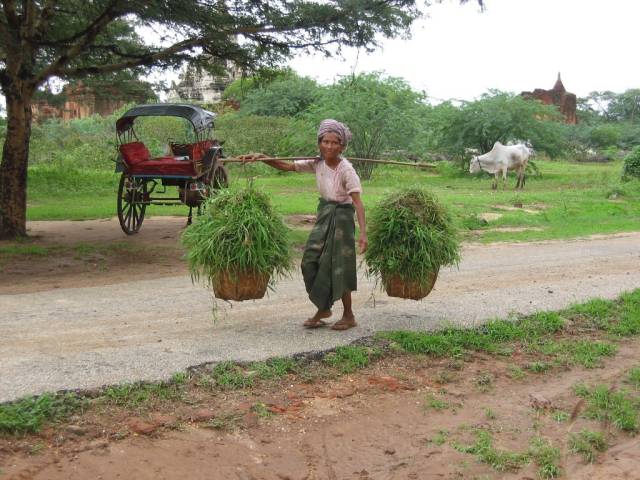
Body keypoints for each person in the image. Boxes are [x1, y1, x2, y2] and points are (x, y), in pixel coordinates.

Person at [241, 119, 367, 331]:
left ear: (342, 146)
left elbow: (358, 203)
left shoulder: (347, 170)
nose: (329, 146)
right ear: (319, 143)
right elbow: (287, 166)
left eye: (334, 143)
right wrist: (262, 158)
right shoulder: (317, 163)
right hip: (325, 213)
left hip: (343, 218)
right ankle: (324, 307)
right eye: (325, 141)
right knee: (309, 262)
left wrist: (363, 234)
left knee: (339, 266)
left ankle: (348, 315)